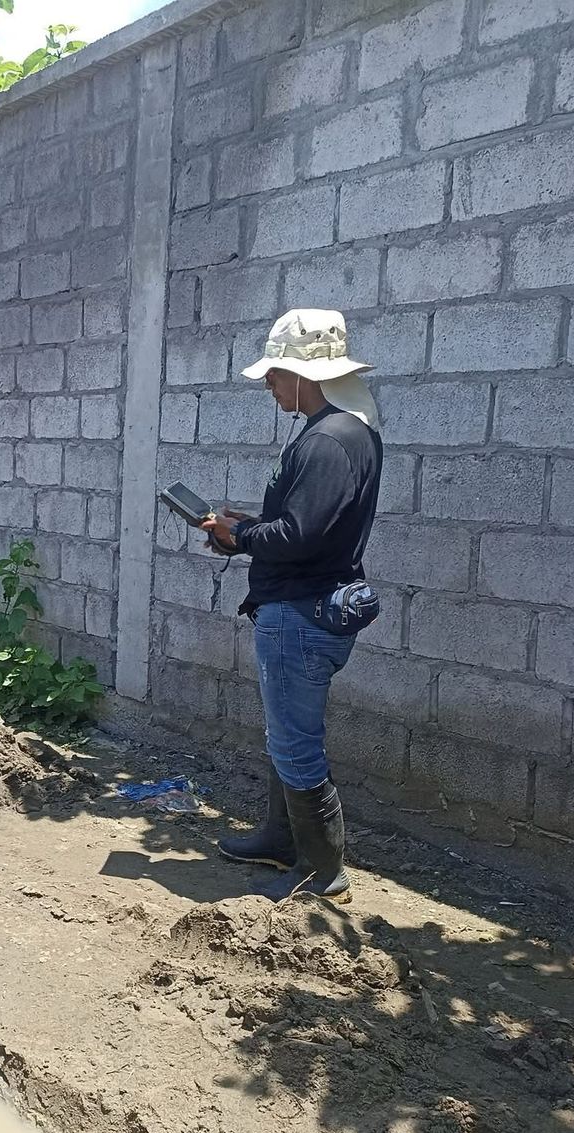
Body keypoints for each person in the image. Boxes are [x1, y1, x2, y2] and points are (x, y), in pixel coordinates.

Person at [199, 309, 383, 904]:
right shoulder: (342, 430)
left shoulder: (328, 440)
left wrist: (239, 535)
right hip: (309, 603)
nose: (270, 386)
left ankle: (321, 871)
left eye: (275, 375)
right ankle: (281, 839)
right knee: (285, 734)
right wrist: (249, 526)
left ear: (304, 374)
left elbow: (300, 536)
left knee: (295, 744)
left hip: (300, 613)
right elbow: (313, 526)